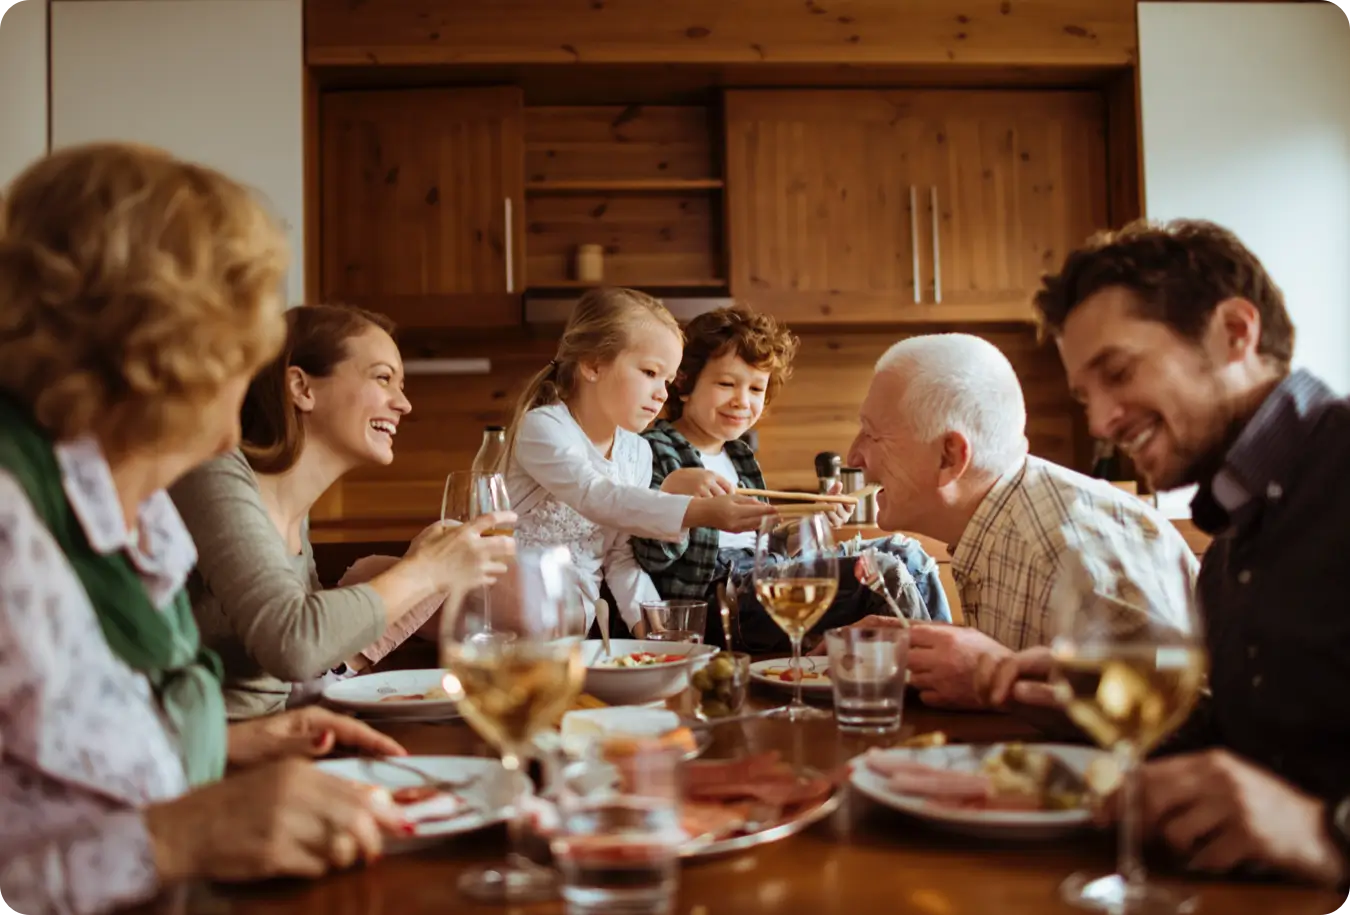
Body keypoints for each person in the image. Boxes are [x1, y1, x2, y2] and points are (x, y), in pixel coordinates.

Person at [0, 143, 416, 912]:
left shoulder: (134, 514)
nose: (258, 352)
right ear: (160, 339)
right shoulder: (13, 527)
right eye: (243, 325)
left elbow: (49, 766)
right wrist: (174, 838)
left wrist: (225, 747)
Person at [980, 218, 1350, 890]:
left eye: (1118, 372)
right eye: (1086, 397)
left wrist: (1325, 831)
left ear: (1236, 333)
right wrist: (1092, 700)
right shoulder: (1237, 521)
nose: (1100, 423)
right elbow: (1260, 744)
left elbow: (1299, 803)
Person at [171, 305, 514, 719]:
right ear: (301, 387)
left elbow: (311, 667)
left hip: (270, 746)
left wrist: (425, 576)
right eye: (383, 378)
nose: (404, 404)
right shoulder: (213, 475)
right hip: (198, 766)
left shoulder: (295, 513)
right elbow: (294, 645)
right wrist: (425, 570)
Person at [839, 333, 1197, 707]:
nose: (854, 456)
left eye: (873, 434)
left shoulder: (1076, 550)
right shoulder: (999, 519)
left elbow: (1178, 700)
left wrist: (995, 674)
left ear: (949, 457)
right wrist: (929, 640)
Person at [632, 306, 950, 651]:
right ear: (683, 383)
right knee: (882, 572)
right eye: (726, 384)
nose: (742, 401)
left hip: (764, 576)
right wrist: (677, 499)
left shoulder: (738, 455)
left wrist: (812, 527)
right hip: (722, 602)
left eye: (756, 389)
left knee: (907, 553)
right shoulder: (652, 450)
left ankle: (947, 666)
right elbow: (651, 557)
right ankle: (922, 674)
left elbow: (766, 549)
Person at [503, 287, 775, 635]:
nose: (662, 393)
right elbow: (595, 496)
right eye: (649, 373)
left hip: (576, 626)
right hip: (510, 615)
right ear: (593, 364)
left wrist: (648, 625)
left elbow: (620, 556)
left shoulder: (636, 452)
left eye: (667, 379)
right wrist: (697, 511)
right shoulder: (543, 427)